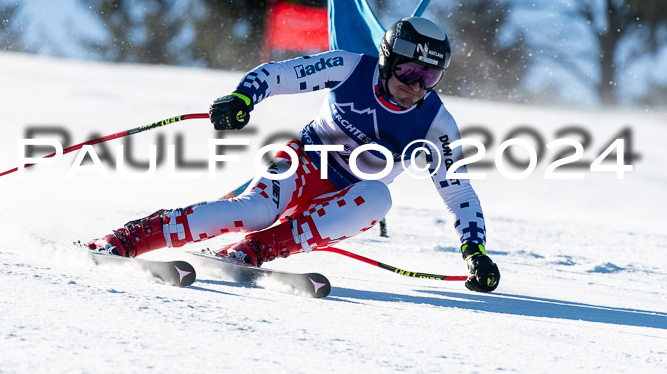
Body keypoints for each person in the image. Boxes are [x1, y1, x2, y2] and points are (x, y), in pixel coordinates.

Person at [88, 16, 501, 293]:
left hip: (345, 197)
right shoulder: (350, 66)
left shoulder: (435, 123)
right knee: (253, 210)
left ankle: (255, 251)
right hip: (304, 163)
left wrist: (475, 252)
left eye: (430, 77)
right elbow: (279, 75)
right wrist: (242, 97)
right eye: (410, 72)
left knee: (380, 197)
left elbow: (458, 192)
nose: (417, 87)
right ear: (388, 61)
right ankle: (126, 240)